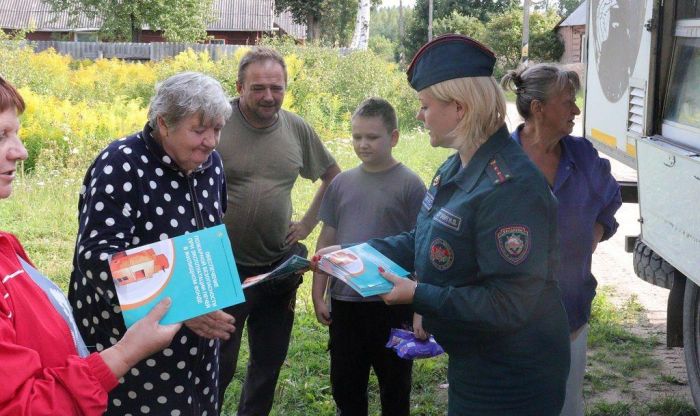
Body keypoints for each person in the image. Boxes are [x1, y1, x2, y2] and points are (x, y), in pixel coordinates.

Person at [313, 34, 571, 415]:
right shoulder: (458, 164)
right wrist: (355, 253)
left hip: (512, 374)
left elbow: (509, 304)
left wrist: (417, 295)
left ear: (461, 109)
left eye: (425, 106)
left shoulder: (511, 187)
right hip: (475, 357)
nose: (420, 115)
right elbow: (424, 239)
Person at [0, 76, 182, 415]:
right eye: (1, 135)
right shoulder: (121, 161)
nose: (21, 151)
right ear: (165, 124)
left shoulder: (7, 246)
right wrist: (125, 353)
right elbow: (20, 407)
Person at [68, 72, 237, 415]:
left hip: (197, 348)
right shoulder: (121, 164)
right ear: (164, 123)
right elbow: (97, 259)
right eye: (199, 129)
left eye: (217, 129)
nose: (211, 141)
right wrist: (183, 303)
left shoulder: (211, 166)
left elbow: (211, 235)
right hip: (131, 348)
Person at [217, 46, 341, 415]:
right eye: (258, 88)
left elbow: (333, 178)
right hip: (223, 266)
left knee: (267, 364)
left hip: (276, 269)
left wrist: (307, 223)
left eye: (277, 87)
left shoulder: (296, 128)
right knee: (216, 365)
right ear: (239, 86)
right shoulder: (217, 121)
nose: (269, 96)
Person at [501, 64, 622, 416]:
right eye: (568, 101)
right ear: (538, 108)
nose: (576, 110)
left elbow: (610, 200)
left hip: (570, 313)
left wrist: (595, 233)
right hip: (509, 319)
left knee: (566, 406)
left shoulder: (582, 156)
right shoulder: (499, 160)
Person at [312, 97, 426, 415]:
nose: (363, 144)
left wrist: (421, 309)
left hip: (391, 303)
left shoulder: (411, 185)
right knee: (346, 386)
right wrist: (318, 293)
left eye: (372, 137)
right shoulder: (341, 184)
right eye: (357, 136)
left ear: (394, 137)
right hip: (346, 304)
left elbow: (425, 247)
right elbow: (328, 238)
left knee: (395, 385)